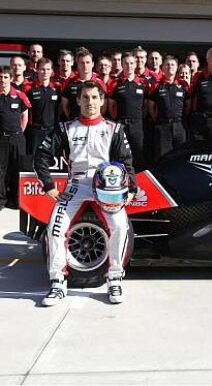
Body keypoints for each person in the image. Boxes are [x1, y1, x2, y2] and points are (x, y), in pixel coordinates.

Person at [34, 81, 136, 306]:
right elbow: (41, 155)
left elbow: (127, 161)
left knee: (120, 226)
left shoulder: (114, 129)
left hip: (107, 187)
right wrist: (49, 184)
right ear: (78, 100)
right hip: (76, 184)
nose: (90, 102)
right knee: (55, 227)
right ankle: (58, 282)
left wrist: (131, 188)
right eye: (86, 98)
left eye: (94, 98)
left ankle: (115, 278)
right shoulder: (65, 128)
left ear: (102, 101)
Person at [108, 52, 147, 171]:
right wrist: (117, 120)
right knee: (120, 153)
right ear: (122, 65)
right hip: (121, 123)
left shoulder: (143, 83)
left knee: (138, 153)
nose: (129, 66)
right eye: (126, 63)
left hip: (137, 124)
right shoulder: (114, 83)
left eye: (131, 63)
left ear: (135, 65)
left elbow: (146, 106)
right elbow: (111, 105)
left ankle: (139, 180)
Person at [0, 66, 30, 209]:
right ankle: (1, 200)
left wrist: (19, 132)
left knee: (17, 169)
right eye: (0, 77)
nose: (3, 80)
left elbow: (25, 116)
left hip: (17, 138)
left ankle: (15, 200)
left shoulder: (19, 95)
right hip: (1, 140)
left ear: (11, 79)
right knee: (1, 171)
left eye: (5, 77)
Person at [148, 55, 190, 159]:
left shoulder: (183, 85)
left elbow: (188, 106)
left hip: (179, 126)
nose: (170, 67)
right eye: (167, 65)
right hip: (163, 126)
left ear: (176, 68)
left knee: (180, 156)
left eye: (172, 65)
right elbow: (150, 106)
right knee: (163, 157)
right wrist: (158, 120)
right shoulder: (156, 86)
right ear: (162, 67)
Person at [61, 48, 107, 120]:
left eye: (88, 62)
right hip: (74, 124)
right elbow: (64, 104)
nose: (85, 65)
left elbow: (104, 105)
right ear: (78, 64)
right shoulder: (69, 83)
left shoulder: (100, 83)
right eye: (82, 63)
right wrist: (70, 118)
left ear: (92, 64)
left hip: (94, 124)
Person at [26, 58, 59, 155]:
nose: (45, 72)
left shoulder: (56, 89)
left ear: (52, 71)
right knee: (33, 162)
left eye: (48, 69)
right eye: (42, 69)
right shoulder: (30, 89)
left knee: (51, 162)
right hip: (35, 132)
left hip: (52, 132)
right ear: (37, 69)